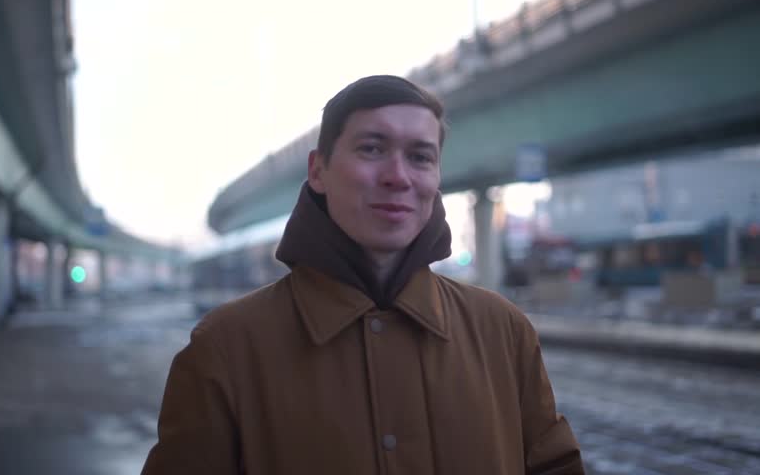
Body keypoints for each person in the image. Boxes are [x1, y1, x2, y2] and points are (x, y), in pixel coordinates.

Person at [142, 75, 584, 474]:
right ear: (318, 171)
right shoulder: (226, 348)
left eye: (420, 157)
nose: (397, 177)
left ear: (436, 177)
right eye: (372, 148)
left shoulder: (503, 330)